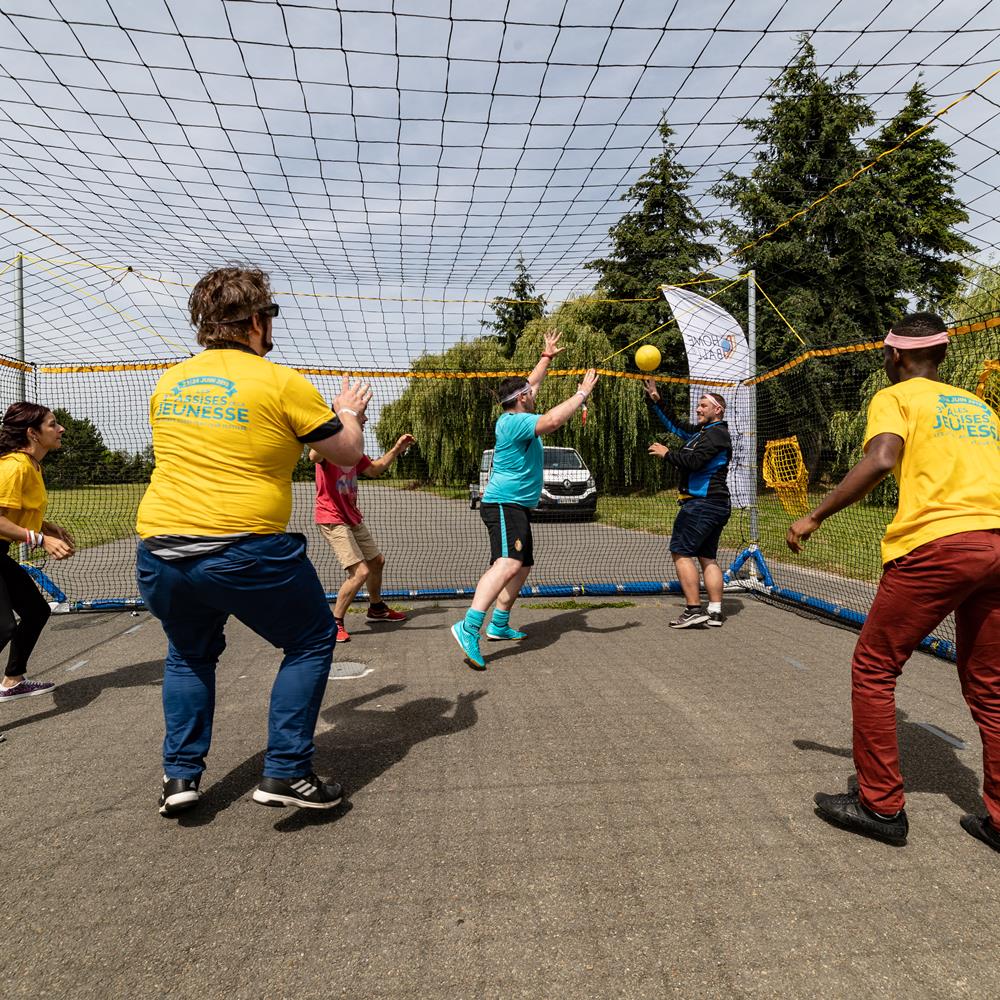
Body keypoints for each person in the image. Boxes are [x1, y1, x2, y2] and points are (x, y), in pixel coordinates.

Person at [136, 266, 371, 818]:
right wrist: (349, 414)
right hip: (243, 548)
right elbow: (346, 454)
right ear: (255, 321)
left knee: (189, 654)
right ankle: (288, 771)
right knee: (312, 639)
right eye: (271, 316)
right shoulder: (281, 380)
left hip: (160, 549)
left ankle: (180, 779)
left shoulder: (170, 381)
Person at [787, 312, 1000, 852]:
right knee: (991, 685)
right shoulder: (980, 407)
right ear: (945, 356)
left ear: (894, 356)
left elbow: (881, 459)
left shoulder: (897, 396)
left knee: (875, 667)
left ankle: (880, 806)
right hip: (998, 542)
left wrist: (814, 516)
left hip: (939, 545)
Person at [451, 329, 598, 669]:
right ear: (522, 399)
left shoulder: (514, 412)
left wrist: (545, 358)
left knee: (523, 563)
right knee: (508, 563)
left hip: (515, 504)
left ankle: (499, 625)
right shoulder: (517, 422)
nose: (535, 393)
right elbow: (554, 419)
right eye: (530, 393)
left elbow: (531, 384)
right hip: (503, 503)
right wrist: (581, 393)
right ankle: (469, 626)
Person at [310, 417, 416, 642]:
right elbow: (314, 455)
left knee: (376, 561)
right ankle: (334, 622)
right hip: (331, 517)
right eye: (362, 414)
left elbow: (374, 470)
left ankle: (376, 608)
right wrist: (337, 426)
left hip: (351, 517)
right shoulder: (331, 446)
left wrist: (397, 449)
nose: (366, 418)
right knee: (360, 572)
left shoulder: (353, 450)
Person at [0, 403, 75, 704]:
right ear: (32, 433)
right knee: (3, 626)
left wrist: (46, 525)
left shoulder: (31, 465)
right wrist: (40, 538)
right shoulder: (14, 466)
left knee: (35, 610)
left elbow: (14, 512)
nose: (61, 429)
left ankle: (12, 681)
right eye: (53, 424)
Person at [643, 379, 732, 628]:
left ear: (718, 410)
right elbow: (677, 426)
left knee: (681, 552)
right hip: (714, 505)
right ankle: (715, 612)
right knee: (707, 557)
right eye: (698, 405)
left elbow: (694, 462)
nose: (698, 409)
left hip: (702, 505)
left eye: (703, 405)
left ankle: (693, 609)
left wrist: (667, 454)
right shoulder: (704, 433)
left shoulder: (717, 435)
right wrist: (657, 400)